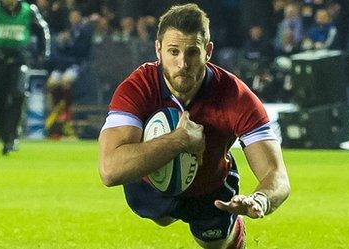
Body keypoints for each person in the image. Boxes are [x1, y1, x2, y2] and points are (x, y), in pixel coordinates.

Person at [98, 4, 290, 248]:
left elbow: (278, 177)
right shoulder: (137, 87)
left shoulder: (236, 96)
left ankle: (232, 229)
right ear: (158, 50)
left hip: (209, 190)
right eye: (173, 52)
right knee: (163, 218)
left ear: (208, 51)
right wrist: (180, 140)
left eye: (192, 52)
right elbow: (109, 170)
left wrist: (260, 200)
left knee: (216, 244)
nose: (183, 63)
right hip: (149, 188)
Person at [0, 0, 50, 155]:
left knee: (18, 94)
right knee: (0, 99)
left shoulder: (28, 11)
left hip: (20, 59)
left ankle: (13, 134)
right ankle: (4, 134)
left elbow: (42, 30)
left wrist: (43, 53)